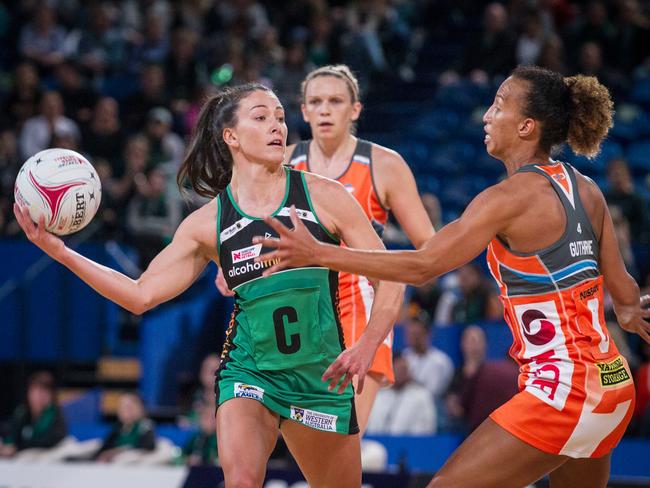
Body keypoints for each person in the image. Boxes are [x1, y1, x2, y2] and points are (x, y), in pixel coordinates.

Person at [255, 66, 650, 487]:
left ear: (526, 126)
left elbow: (423, 266)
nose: (486, 116)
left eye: (498, 106)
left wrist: (319, 253)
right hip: (612, 385)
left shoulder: (505, 199)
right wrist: (633, 313)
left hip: (564, 393)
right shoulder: (587, 188)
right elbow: (626, 301)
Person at [14, 82, 403, 487]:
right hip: (250, 369)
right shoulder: (206, 225)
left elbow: (393, 275)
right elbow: (139, 294)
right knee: (240, 482)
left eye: (280, 118)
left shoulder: (325, 196)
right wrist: (60, 252)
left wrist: (368, 343)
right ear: (230, 136)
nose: (277, 127)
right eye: (261, 117)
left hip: (319, 375)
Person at [216, 64, 435, 432]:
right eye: (315, 102)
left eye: (335, 101)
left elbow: (430, 248)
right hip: (301, 306)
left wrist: (392, 261)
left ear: (355, 110)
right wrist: (231, 265)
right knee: (310, 453)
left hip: (359, 301)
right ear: (302, 111)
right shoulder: (280, 159)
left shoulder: (384, 164)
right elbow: (242, 224)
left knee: (345, 440)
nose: (324, 110)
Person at [0, 371, 67, 457]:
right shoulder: (22, 413)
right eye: (34, 392)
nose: (38, 397)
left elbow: (51, 440)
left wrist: (18, 447)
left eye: (43, 393)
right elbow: (12, 435)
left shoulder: (55, 415)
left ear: (50, 395)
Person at [93, 392, 156, 463]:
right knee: (93, 445)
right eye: (122, 407)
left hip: (133, 463)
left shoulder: (145, 425)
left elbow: (147, 446)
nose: (125, 411)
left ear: (140, 409)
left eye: (129, 407)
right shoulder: (118, 427)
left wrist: (118, 451)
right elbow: (104, 448)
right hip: (113, 464)